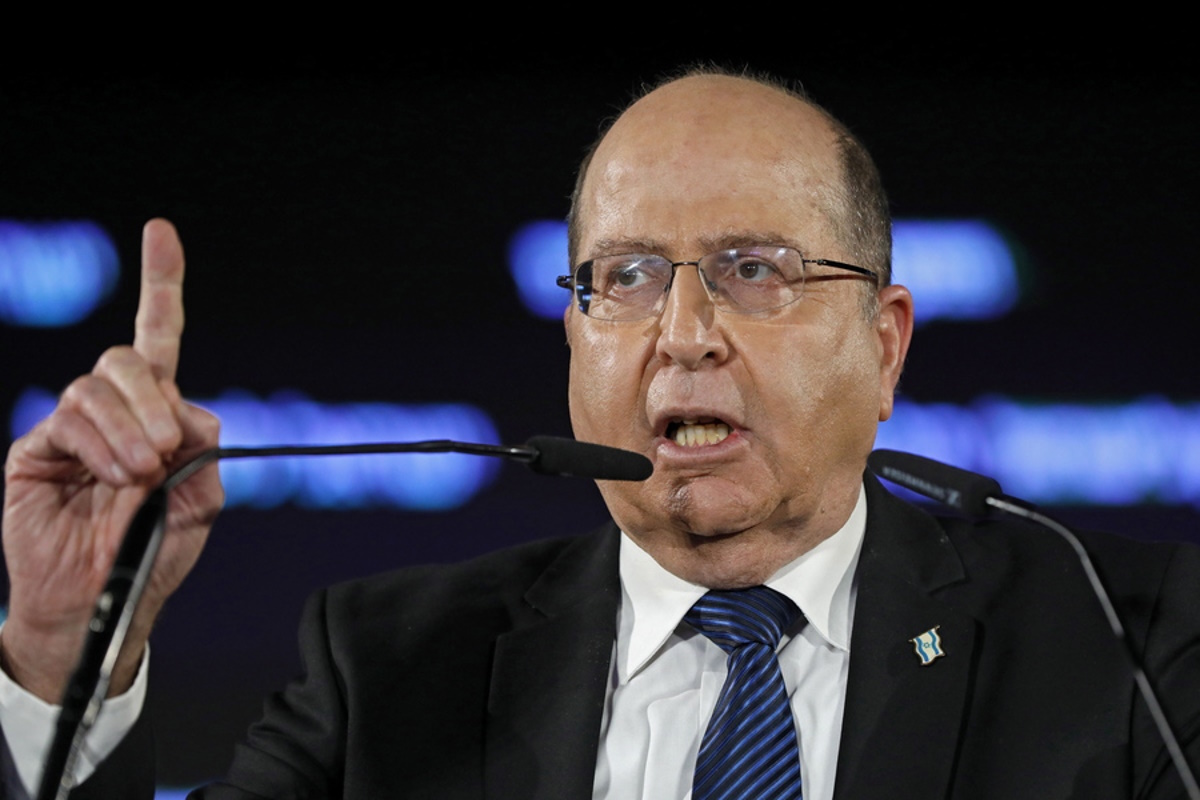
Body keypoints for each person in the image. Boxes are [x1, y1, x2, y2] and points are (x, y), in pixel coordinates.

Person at [2, 69, 1198, 799]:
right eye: (623, 276)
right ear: (575, 338)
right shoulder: (392, 665)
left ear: (884, 345)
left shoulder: (1120, 642)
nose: (683, 332)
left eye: (751, 270)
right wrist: (66, 652)